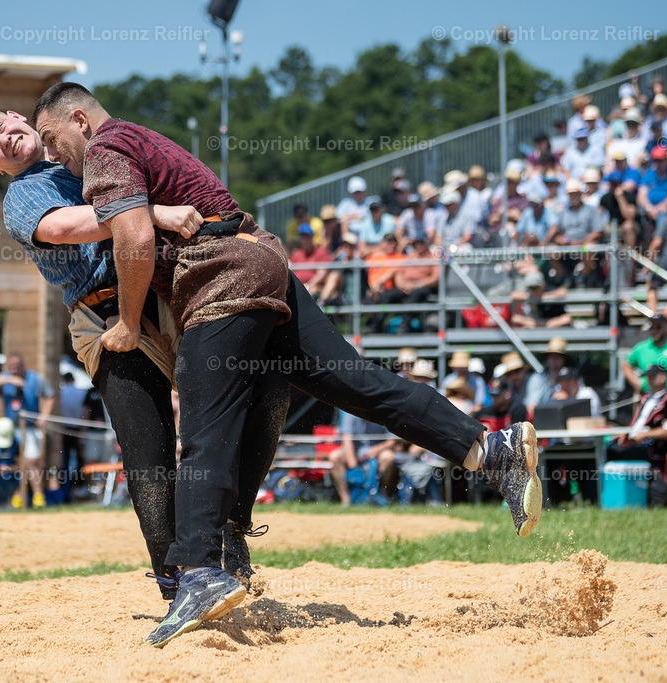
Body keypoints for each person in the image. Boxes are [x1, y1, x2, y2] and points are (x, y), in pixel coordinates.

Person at [31, 82, 542, 646]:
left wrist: (128, 322)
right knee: (358, 383)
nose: (51, 155)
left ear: (79, 119)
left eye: (53, 140)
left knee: (204, 430)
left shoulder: (106, 149)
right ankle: (490, 450)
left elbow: (132, 235)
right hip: (265, 259)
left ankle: (199, 573)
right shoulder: (144, 137)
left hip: (222, 280)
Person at [0, 105, 288, 606]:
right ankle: (178, 586)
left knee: (268, 389)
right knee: (148, 452)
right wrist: (152, 213)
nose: (3, 145)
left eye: (1, 130)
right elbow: (71, 227)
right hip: (103, 317)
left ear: (17, 116)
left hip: (170, 293)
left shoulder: (86, 154)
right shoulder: (21, 197)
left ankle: (233, 524)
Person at [0, 354, 55, 508]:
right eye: (12, 367)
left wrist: (43, 417)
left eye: (17, 366)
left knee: (32, 461)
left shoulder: (35, 378)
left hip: (30, 427)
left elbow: (50, 396)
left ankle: (38, 497)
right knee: (13, 462)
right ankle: (16, 498)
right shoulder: (6, 378)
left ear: (23, 365)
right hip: (11, 429)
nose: (14, 369)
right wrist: (9, 380)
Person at [608, 364, 667, 490]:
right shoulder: (645, 399)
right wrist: (626, 434)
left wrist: (643, 435)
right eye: (648, 377)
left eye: (652, 377)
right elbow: (637, 424)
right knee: (604, 452)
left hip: (648, 448)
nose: (648, 380)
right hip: (632, 442)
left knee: (610, 454)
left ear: (663, 378)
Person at [329, 409, 397, 506]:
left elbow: (392, 441)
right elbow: (346, 439)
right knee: (335, 456)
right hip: (356, 450)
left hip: (379, 450)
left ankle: (383, 495)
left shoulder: (384, 412)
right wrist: (354, 466)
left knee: (388, 456)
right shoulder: (350, 412)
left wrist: (375, 450)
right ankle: (346, 500)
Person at [525, 338, 570, 411]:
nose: (553, 359)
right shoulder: (537, 378)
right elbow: (531, 408)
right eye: (551, 355)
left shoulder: (569, 379)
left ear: (563, 359)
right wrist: (553, 403)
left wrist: (567, 400)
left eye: (557, 356)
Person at [288, 223, 332, 298]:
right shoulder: (296, 255)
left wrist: (308, 285)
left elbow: (321, 273)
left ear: (312, 237)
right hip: (297, 289)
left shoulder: (321, 253)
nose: (304, 239)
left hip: (314, 288)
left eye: (306, 236)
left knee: (314, 289)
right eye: (302, 236)